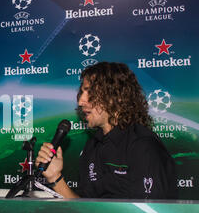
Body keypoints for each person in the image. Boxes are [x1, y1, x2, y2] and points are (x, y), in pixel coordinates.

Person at [35, 62, 177, 199]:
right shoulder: (92, 146)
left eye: (90, 92)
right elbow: (83, 211)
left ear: (115, 97)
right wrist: (55, 177)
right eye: (81, 92)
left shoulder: (143, 146)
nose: (80, 101)